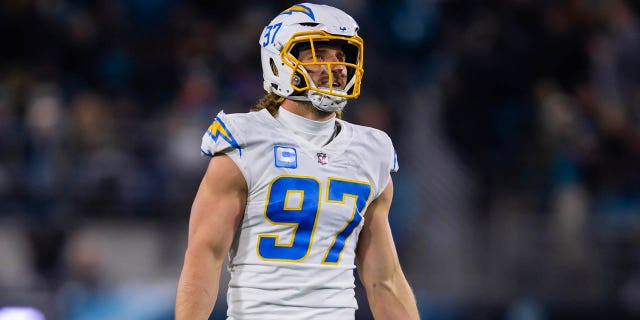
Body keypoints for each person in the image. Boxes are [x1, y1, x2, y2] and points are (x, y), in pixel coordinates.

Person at [175, 3, 420, 319]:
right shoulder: (245, 140)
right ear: (280, 62)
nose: (337, 66)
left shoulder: (371, 150)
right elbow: (205, 257)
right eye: (319, 53)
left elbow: (384, 280)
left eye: (341, 55)